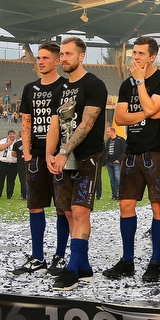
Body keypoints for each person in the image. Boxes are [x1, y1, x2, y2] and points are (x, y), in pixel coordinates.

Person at [105, 36, 160, 281]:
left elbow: (155, 107)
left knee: (158, 207)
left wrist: (142, 82)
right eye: (134, 53)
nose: (135, 58)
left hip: (156, 152)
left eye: (140, 54)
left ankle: (155, 263)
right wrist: (148, 112)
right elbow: (119, 119)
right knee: (125, 206)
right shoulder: (126, 85)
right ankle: (128, 260)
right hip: (132, 153)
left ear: (152, 57)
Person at [47, 37, 108, 290]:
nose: (63, 58)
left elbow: (87, 123)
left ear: (81, 56)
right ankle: (83, 266)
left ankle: (72, 269)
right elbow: (54, 124)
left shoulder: (94, 84)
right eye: (61, 54)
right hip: (61, 157)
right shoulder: (59, 89)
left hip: (87, 156)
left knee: (81, 210)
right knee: (69, 212)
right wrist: (49, 155)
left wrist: (63, 151)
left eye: (69, 54)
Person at [13, 43, 73, 275]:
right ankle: (37, 257)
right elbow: (26, 121)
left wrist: (62, 152)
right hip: (36, 155)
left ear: (57, 61)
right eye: (39, 58)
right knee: (35, 207)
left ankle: (59, 255)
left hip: (58, 156)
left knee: (61, 207)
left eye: (46, 58)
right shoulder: (30, 88)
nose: (40, 61)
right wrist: (27, 153)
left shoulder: (66, 87)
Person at [0, 130, 20, 199]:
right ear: (8, 135)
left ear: (15, 135)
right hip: (2, 163)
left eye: (13, 134)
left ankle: (9, 195)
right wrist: (8, 143)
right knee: (0, 179)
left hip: (13, 164)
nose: (12, 136)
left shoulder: (18, 142)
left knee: (11, 180)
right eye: (10, 134)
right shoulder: (3, 140)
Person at [104, 127, 125, 200]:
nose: (107, 133)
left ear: (112, 132)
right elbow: (106, 151)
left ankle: (121, 194)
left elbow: (124, 150)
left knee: (118, 178)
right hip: (109, 162)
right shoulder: (108, 141)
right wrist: (105, 162)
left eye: (108, 132)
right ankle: (114, 195)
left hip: (116, 163)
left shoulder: (120, 140)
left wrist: (119, 160)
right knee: (112, 179)